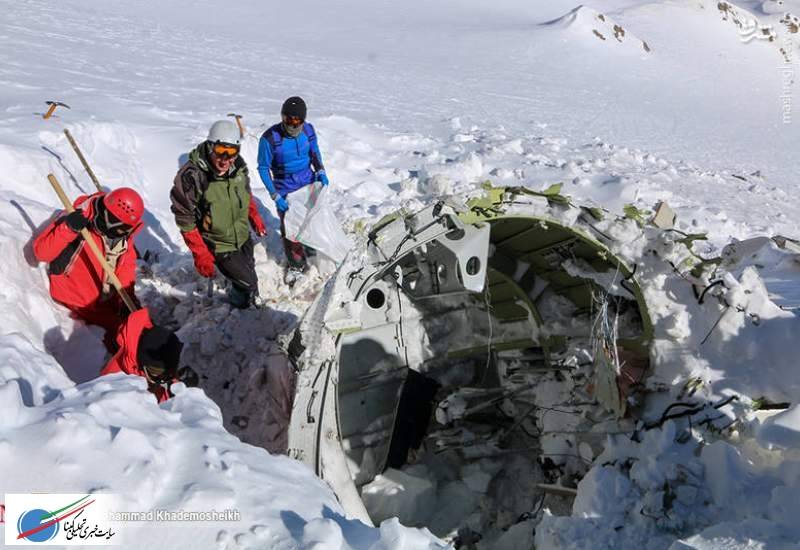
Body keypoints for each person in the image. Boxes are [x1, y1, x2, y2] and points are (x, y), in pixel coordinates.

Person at [171, 120, 267, 308]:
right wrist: (201, 254)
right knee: (248, 283)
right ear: (210, 146)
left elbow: (245, 193)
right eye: (220, 150)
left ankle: (243, 301)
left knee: (249, 273)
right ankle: (239, 306)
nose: (225, 159)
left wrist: (254, 216)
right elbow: (185, 220)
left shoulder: (238, 166)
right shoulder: (193, 176)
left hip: (242, 235)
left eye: (231, 152)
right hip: (219, 244)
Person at [33, 187, 144, 349]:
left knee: (138, 321)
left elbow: (126, 264)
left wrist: (127, 297)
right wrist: (68, 229)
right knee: (122, 333)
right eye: (122, 229)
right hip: (76, 295)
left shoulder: (123, 231)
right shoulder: (79, 217)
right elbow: (41, 252)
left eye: (126, 230)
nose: (124, 233)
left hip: (104, 293)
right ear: (110, 220)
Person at [257, 96, 328, 284]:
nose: (292, 124)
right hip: (285, 186)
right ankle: (296, 266)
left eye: (297, 121)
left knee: (311, 218)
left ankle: (312, 248)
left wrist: (320, 170)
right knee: (291, 228)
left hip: (307, 181)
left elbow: (314, 152)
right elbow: (263, 168)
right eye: (288, 119)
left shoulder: (308, 131)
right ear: (282, 117)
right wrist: (275, 195)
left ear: (303, 120)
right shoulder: (270, 139)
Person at [101, 307, 184, 403]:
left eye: (168, 374)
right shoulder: (113, 381)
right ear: (143, 364)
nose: (162, 380)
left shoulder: (157, 358)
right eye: (157, 374)